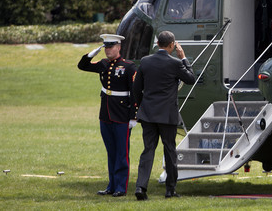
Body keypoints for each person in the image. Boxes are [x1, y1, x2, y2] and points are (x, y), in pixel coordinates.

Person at [133, 31, 196, 200]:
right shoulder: (175, 63)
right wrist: (183, 58)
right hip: (167, 115)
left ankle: (140, 187)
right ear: (171, 45)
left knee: (148, 150)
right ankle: (170, 190)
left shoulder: (146, 61)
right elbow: (191, 79)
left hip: (148, 114)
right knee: (169, 151)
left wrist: (141, 107)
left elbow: (136, 88)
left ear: (158, 44)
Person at [77, 34, 138, 197]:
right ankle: (111, 185)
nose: (108, 50)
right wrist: (91, 54)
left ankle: (120, 187)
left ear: (119, 47)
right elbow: (82, 66)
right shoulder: (103, 64)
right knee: (111, 152)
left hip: (122, 115)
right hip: (105, 114)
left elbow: (135, 93)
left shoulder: (129, 67)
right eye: (106, 47)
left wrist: (134, 117)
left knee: (121, 153)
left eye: (110, 47)